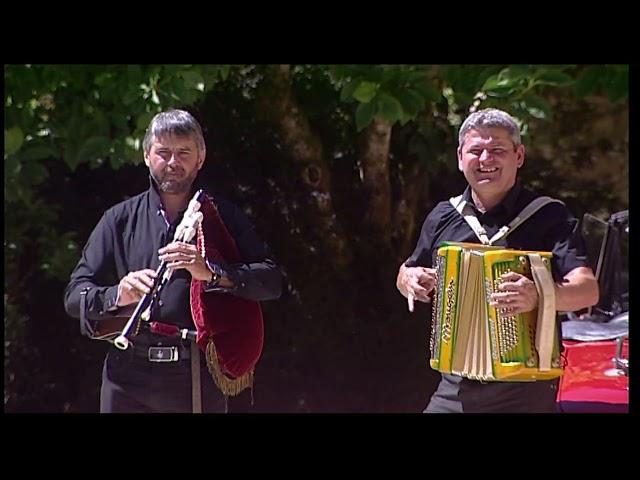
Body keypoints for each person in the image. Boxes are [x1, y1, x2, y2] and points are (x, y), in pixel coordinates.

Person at [64, 109, 282, 413]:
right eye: (163, 152)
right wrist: (118, 294)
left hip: (193, 373)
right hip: (126, 374)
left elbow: (271, 281)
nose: (173, 163)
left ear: (200, 158)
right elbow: (75, 297)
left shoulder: (223, 216)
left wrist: (211, 272)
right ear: (146, 156)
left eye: (183, 153)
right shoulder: (119, 219)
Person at [396, 108, 599, 413]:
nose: (486, 159)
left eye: (497, 150)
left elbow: (587, 290)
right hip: (455, 387)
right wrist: (409, 280)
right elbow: (408, 270)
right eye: (476, 150)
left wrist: (540, 295)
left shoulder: (548, 215)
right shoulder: (443, 215)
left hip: (524, 389)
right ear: (460, 157)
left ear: (519, 156)